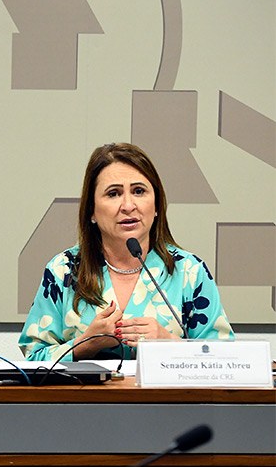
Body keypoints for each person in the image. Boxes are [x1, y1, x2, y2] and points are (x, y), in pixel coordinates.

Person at [19, 143, 233, 362]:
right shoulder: (63, 270)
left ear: (157, 205)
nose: (128, 205)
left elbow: (224, 360)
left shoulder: (189, 271)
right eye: (113, 194)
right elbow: (33, 358)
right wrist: (85, 345)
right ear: (92, 210)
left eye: (139, 191)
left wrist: (169, 342)